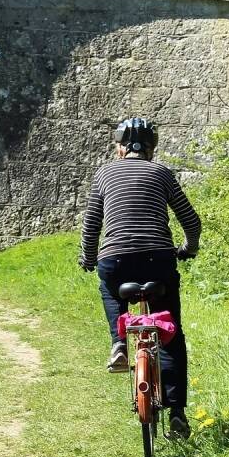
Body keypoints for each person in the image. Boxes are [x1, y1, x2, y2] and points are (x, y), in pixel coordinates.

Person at [78, 117, 201, 439]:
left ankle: (118, 344)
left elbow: (92, 225)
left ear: (119, 147)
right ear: (151, 148)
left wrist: (89, 259)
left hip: (116, 260)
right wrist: (188, 248)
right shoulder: (161, 173)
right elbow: (191, 220)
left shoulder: (104, 173)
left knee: (109, 289)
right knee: (171, 334)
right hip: (159, 261)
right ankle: (177, 412)